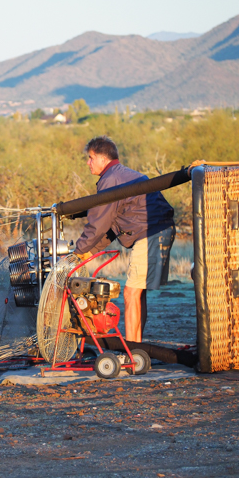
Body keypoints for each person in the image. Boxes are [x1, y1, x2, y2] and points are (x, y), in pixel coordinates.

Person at [73, 136, 175, 343]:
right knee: (138, 293)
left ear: (102, 159)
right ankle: (137, 347)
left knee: (130, 293)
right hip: (158, 230)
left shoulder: (110, 179)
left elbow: (99, 222)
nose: (88, 163)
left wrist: (77, 251)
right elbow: (113, 224)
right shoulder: (120, 175)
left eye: (90, 158)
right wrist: (90, 251)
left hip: (151, 233)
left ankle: (133, 352)